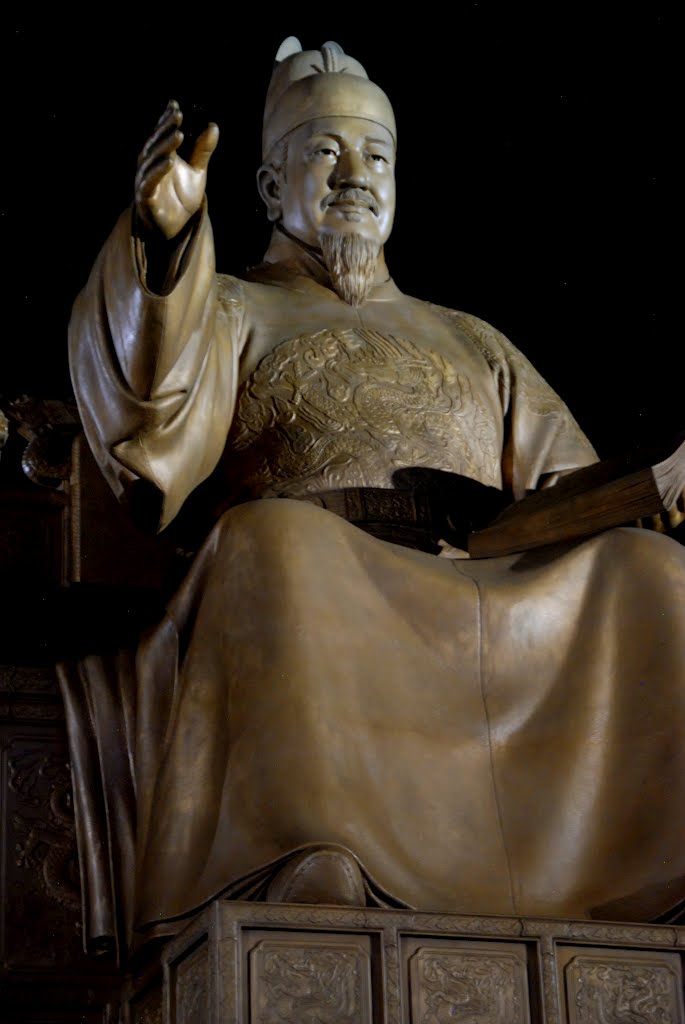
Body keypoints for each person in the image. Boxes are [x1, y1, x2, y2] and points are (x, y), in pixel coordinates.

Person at [62, 38, 685, 959]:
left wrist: (644, 496)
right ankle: (308, 852)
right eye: (326, 151)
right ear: (271, 189)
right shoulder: (233, 307)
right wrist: (163, 246)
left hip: (483, 575)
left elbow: (568, 485)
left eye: (378, 158)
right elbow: (150, 404)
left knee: (651, 572)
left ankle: (646, 870)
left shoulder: (471, 339)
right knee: (274, 544)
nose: (357, 175)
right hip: (323, 575)